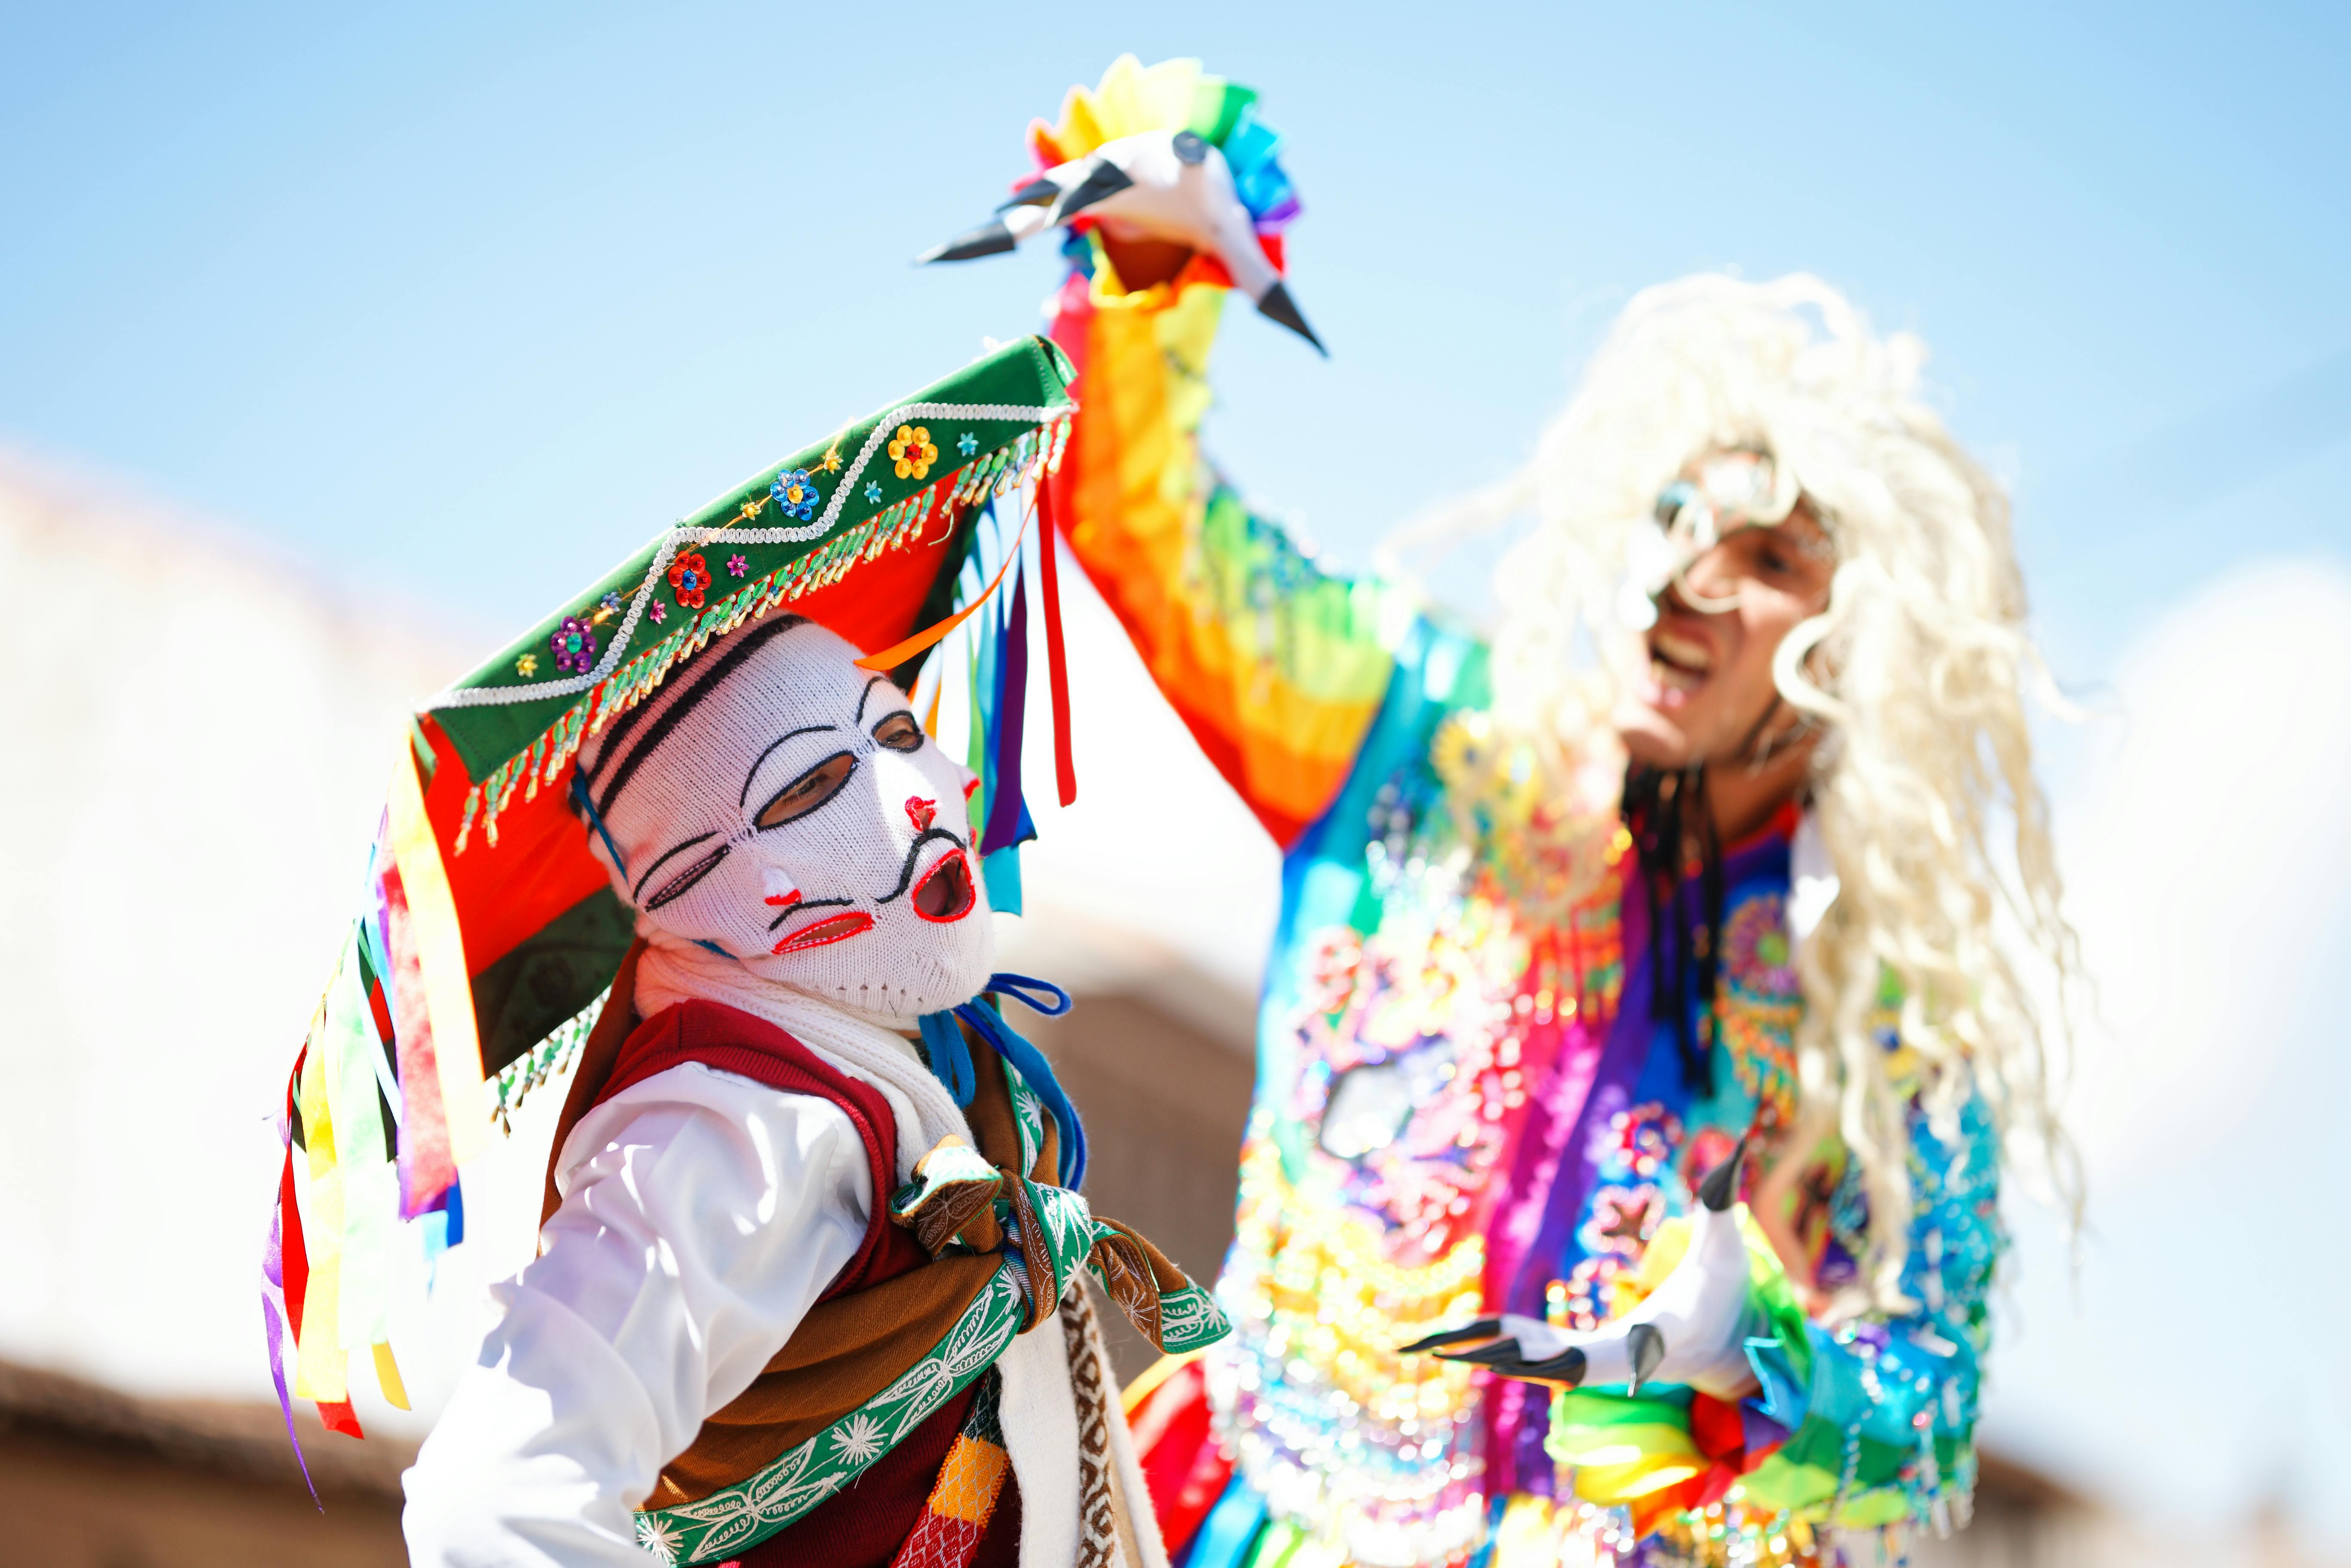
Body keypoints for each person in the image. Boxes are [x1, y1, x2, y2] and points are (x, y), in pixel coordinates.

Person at [921, 56, 2078, 1568]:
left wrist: (1760, 1365)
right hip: (1240, 1523)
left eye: (1768, 556)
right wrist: (1156, 264)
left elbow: (1922, 1433)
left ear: (1862, 645)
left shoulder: (1886, 1030)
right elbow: (1152, 528)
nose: (1687, 574)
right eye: (1676, 522)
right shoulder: (1419, 735)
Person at [264, 345, 1229, 1568]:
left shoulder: (885, 1057)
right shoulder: (723, 1126)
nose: (923, 793)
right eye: (818, 783)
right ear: (687, 895)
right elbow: (488, 1507)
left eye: (899, 731)